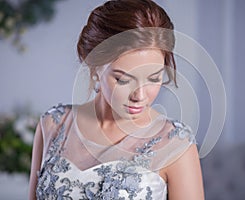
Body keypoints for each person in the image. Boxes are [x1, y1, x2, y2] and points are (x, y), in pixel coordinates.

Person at [29, 0, 204, 199]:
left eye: (154, 78)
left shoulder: (176, 145)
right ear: (95, 68)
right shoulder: (52, 124)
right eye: (123, 79)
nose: (139, 95)